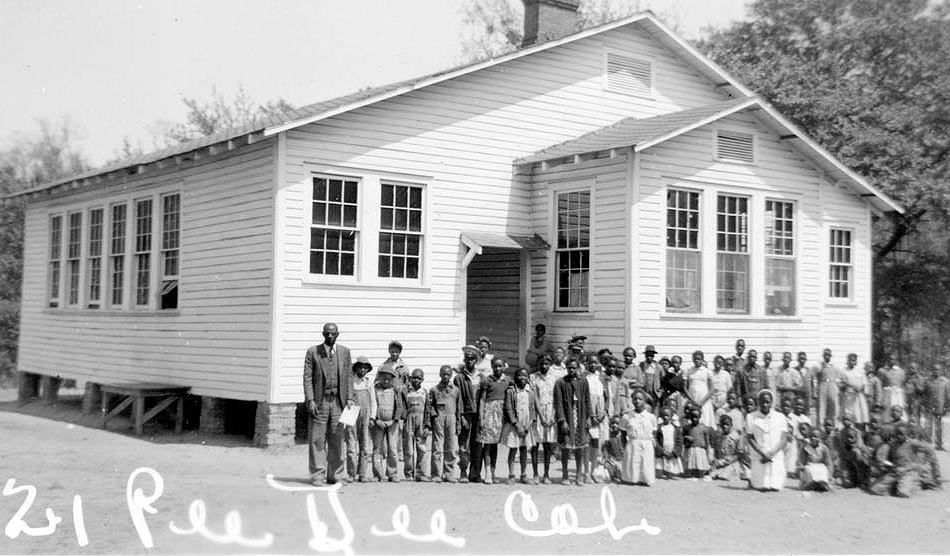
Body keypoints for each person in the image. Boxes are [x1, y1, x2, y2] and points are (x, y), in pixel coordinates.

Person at [303, 322, 355, 486]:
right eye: (327, 333)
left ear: (338, 334)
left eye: (333, 333)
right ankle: (318, 475)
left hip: (338, 403)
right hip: (320, 401)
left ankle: (336, 475)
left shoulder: (344, 352)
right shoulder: (313, 352)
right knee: (317, 439)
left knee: (337, 439)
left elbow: (348, 377)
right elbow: (307, 378)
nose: (330, 336)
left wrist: (350, 398)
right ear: (323, 334)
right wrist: (310, 400)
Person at [869, 423, 941, 497]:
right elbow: (883, 455)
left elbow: (929, 449)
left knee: (903, 493)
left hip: (908, 472)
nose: (899, 436)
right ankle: (896, 485)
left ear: (907, 435)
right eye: (897, 434)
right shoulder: (893, 444)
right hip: (895, 472)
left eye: (901, 434)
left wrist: (928, 466)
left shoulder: (912, 444)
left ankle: (916, 483)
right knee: (875, 490)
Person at [554, 358, 592, 485]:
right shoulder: (560, 382)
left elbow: (587, 400)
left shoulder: (583, 381)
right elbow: (558, 403)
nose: (572, 370)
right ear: (566, 368)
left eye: (574, 368)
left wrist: (589, 417)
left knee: (580, 447)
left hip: (580, 415)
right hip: (567, 416)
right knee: (566, 446)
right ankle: (565, 475)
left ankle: (578, 475)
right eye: (569, 367)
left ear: (578, 368)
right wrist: (562, 420)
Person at [745, 390, 789, 492]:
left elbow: (783, 439)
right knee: (760, 485)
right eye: (762, 402)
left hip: (775, 455)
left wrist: (771, 453)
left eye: (767, 402)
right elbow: (750, 438)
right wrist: (762, 453)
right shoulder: (751, 417)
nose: (765, 405)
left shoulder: (780, 417)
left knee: (775, 486)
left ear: (772, 402)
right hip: (759, 455)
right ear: (758, 402)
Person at [476, 356, 511, 484]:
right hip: (489, 413)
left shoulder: (507, 380)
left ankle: (493, 471)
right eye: (495, 366)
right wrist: (481, 417)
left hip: (501, 414)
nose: (497, 368)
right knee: (488, 444)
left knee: (495, 445)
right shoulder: (487, 380)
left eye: (500, 366)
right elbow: (482, 399)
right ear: (492, 367)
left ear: (503, 367)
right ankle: (487, 473)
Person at [503, 368, 538, 484]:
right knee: (513, 449)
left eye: (525, 376)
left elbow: (533, 409)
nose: (522, 378)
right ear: (515, 378)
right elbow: (508, 409)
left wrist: (528, 426)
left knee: (524, 450)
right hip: (515, 425)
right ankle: (511, 475)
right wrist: (517, 425)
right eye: (520, 376)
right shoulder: (511, 391)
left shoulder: (530, 392)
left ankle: (523, 475)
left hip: (527, 424)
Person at [371, 366, 406, 482]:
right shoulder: (375, 389)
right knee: (377, 449)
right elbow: (373, 404)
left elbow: (399, 406)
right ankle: (377, 474)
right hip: (379, 424)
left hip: (392, 424)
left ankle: (392, 473)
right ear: (379, 378)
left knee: (392, 449)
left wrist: (394, 420)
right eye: (384, 378)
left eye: (388, 379)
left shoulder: (395, 390)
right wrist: (377, 419)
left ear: (392, 379)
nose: (386, 381)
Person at [345, 356, 376, 483]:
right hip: (352, 413)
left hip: (365, 414)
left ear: (367, 369)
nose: (362, 370)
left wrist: (372, 417)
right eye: (360, 367)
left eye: (365, 368)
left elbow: (373, 401)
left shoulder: (369, 383)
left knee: (365, 445)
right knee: (351, 445)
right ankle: (351, 473)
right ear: (356, 368)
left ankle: (362, 473)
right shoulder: (350, 382)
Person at [429, 365, 461, 483]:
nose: (445, 376)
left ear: (451, 375)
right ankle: (436, 474)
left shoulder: (456, 390)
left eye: (448, 374)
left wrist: (458, 423)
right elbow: (430, 406)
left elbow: (459, 407)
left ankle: (448, 474)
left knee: (451, 447)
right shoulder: (434, 389)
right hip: (439, 418)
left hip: (451, 418)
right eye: (443, 374)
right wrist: (434, 416)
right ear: (440, 375)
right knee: (437, 447)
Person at [454, 345, 482, 483]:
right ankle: (463, 471)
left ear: (476, 360)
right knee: (463, 445)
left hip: (479, 415)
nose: (469, 361)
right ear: (464, 360)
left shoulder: (481, 377)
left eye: (472, 359)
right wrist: (461, 416)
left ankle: (475, 473)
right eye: (467, 359)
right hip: (466, 414)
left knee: (477, 445)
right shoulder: (459, 378)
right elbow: (457, 399)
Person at [530, 353, 558, 484]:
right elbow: (535, 397)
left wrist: (552, 416)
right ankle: (535, 473)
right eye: (541, 364)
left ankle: (546, 474)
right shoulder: (533, 377)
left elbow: (556, 398)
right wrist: (541, 415)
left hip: (550, 412)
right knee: (536, 444)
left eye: (546, 364)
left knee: (548, 445)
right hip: (538, 412)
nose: (544, 366)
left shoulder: (554, 378)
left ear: (550, 365)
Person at [620, 389, 657, 486]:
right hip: (633, 442)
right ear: (632, 401)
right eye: (635, 399)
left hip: (646, 443)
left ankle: (645, 479)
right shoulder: (627, 417)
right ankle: (632, 479)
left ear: (644, 400)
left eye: (640, 399)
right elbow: (623, 434)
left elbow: (654, 433)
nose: (637, 401)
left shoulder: (651, 417)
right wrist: (626, 447)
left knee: (645, 463)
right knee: (633, 462)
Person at [403, 368, 431, 481]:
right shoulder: (406, 391)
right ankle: (409, 473)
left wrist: (427, 426)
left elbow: (428, 410)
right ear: (410, 378)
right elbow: (403, 407)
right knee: (408, 449)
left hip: (421, 421)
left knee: (422, 448)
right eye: (414, 377)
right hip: (409, 421)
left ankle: (421, 473)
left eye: (419, 378)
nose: (416, 380)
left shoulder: (424, 392)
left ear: (422, 379)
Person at [584, 360, 609, 483]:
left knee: (596, 442)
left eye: (595, 362)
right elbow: (584, 398)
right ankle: (586, 472)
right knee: (587, 441)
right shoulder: (584, 378)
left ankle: (594, 470)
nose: (592, 365)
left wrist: (604, 411)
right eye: (590, 362)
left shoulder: (602, 377)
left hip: (600, 412)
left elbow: (607, 397)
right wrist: (591, 414)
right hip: (589, 412)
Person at [798, 424, 834, 492]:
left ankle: (822, 484)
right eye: (811, 436)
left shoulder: (823, 448)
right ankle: (810, 484)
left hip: (821, 468)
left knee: (823, 469)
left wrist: (830, 475)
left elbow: (829, 463)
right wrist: (802, 469)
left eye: (815, 436)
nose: (813, 438)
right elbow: (801, 461)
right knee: (808, 470)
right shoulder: (806, 447)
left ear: (820, 438)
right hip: (809, 468)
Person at [710, 414, 746, 481]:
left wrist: (731, 459)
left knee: (724, 475)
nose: (725, 426)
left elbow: (740, 453)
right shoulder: (719, 437)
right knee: (712, 474)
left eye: (727, 424)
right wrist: (716, 460)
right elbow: (716, 451)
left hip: (732, 462)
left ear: (731, 425)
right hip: (721, 461)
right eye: (722, 425)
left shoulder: (736, 437)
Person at [685, 350, 716, 428]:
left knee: (705, 421)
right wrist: (692, 400)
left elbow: (712, 389)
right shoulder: (689, 371)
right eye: (695, 359)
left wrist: (702, 402)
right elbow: (685, 388)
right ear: (692, 359)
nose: (697, 360)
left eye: (699, 359)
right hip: (693, 399)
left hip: (704, 400)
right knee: (693, 419)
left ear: (702, 359)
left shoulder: (707, 371)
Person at [923, 363, 950, 450]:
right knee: (929, 426)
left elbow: (948, 395)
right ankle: (928, 444)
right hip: (929, 406)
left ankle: (939, 445)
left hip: (940, 407)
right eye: (934, 369)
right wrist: (924, 405)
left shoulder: (945, 382)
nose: (935, 371)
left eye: (937, 370)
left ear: (940, 371)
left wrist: (947, 407)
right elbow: (924, 394)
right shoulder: (928, 381)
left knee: (939, 427)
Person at [839, 353, 869, 428]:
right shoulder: (844, 371)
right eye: (850, 360)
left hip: (858, 396)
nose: (851, 362)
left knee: (858, 414)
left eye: (853, 360)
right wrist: (848, 385)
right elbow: (841, 384)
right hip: (848, 397)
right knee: (848, 414)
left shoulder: (860, 371)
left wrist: (861, 388)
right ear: (847, 361)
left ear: (856, 362)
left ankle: (859, 429)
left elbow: (864, 383)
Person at [683, 412, 714, 480]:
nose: (694, 419)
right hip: (691, 449)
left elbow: (707, 442)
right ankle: (692, 474)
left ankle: (700, 474)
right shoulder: (687, 427)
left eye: (696, 417)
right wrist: (687, 437)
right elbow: (683, 438)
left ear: (699, 417)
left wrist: (708, 453)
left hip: (700, 450)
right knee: (691, 467)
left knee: (700, 468)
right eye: (692, 417)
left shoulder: (704, 428)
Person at [655, 406, 683, 479]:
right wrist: (661, 451)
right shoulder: (659, 428)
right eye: (663, 416)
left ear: (671, 416)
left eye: (667, 415)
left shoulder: (675, 428)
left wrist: (675, 452)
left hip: (672, 452)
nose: (665, 417)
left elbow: (679, 441)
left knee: (671, 470)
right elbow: (656, 440)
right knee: (659, 470)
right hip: (662, 452)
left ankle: (670, 474)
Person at [815, 348, 842, 425]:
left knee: (833, 404)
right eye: (825, 355)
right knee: (822, 405)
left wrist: (837, 388)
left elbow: (838, 378)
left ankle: (834, 423)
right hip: (822, 385)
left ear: (830, 356)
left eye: (828, 355)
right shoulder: (819, 366)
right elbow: (815, 378)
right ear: (823, 356)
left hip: (832, 385)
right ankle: (821, 423)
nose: (827, 356)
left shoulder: (835, 366)